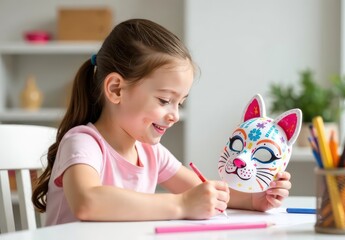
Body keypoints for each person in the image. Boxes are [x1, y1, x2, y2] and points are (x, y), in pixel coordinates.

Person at [32, 18, 291, 226]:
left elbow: (205, 193)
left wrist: (256, 200)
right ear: (116, 90)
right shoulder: (84, 143)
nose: (175, 115)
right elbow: (88, 202)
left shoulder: (150, 152)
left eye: (180, 103)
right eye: (165, 100)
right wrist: (181, 205)